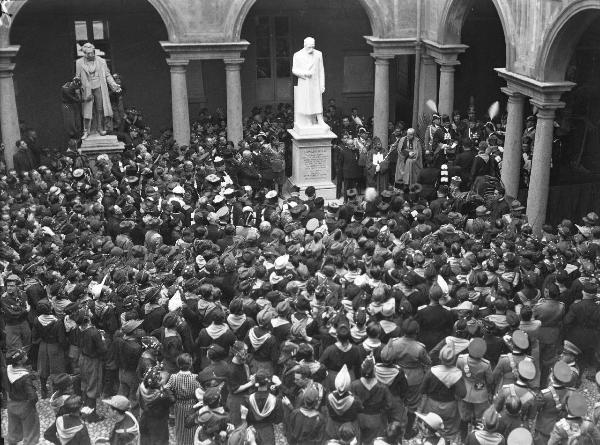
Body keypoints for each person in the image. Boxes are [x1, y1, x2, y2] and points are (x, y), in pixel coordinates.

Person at [75, 42, 122, 138]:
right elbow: (77, 77)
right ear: (85, 53)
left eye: (92, 52)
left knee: (100, 109)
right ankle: (86, 131)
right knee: (87, 110)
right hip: (87, 89)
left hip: (99, 87)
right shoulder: (79, 62)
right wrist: (76, 90)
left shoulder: (101, 61)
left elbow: (107, 74)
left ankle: (100, 128)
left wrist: (113, 84)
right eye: (88, 53)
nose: (91, 55)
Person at [165, 353, 202, 445]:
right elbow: (201, 390)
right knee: (191, 427)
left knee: (180, 427)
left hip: (179, 405)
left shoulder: (174, 377)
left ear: (178, 364)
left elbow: (166, 388)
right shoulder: (195, 377)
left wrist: (172, 398)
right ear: (190, 364)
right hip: (192, 405)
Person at [5, 348, 40, 445]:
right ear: (19, 361)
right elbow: (33, 397)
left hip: (11, 405)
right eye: (23, 356)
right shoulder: (25, 377)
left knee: (13, 433)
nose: (26, 356)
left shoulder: (8, 370)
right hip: (25, 406)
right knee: (30, 435)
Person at [292, 37, 326, 127]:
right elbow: (294, 70)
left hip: (315, 82)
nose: (311, 49)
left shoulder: (318, 54)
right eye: (309, 47)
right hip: (305, 82)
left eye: (313, 47)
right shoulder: (297, 55)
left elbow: (321, 70)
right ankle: (308, 120)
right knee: (306, 102)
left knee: (317, 101)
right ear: (304, 45)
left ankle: (320, 119)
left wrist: (322, 84)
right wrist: (305, 73)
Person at [137, 365, 174, 445]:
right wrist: (165, 388)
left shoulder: (141, 388)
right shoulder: (161, 395)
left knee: (145, 441)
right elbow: (172, 400)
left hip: (145, 418)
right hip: (159, 422)